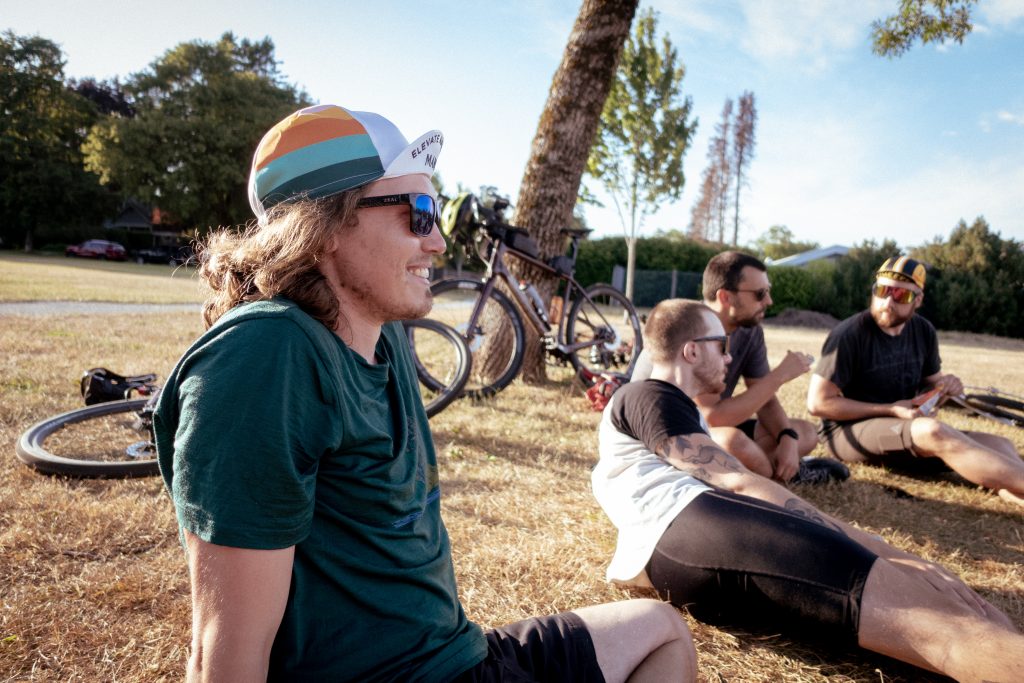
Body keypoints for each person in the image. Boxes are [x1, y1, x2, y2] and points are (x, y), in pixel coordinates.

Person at [153, 103, 696, 682]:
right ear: (326, 226)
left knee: (661, 630)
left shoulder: (380, 342)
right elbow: (226, 651)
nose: (437, 242)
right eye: (418, 213)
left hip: (457, 652)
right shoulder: (267, 356)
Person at [593, 297, 1024, 681]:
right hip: (701, 528)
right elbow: (738, 482)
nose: (729, 358)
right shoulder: (649, 394)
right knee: (949, 625)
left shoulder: (671, 412)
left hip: (686, 559)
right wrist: (886, 551)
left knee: (916, 647)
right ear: (690, 350)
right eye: (721, 344)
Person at [807, 256, 1024, 508]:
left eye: (900, 295)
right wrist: (890, 409)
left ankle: (1011, 490)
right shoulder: (849, 334)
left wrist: (946, 387)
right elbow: (818, 404)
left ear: (917, 300)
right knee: (932, 430)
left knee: (1000, 443)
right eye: (882, 291)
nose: (888, 302)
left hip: (903, 424)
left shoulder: (923, 331)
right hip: (847, 433)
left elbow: (932, 386)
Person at [633, 251, 846, 484]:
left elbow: (764, 397)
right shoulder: (695, 329)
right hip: (665, 432)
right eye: (760, 294)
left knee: (804, 432)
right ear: (725, 296)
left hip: (705, 429)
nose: (769, 301)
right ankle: (781, 478)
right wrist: (779, 376)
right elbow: (713, 417)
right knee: (732, 442)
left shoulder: (749, 330)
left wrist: (787, 437)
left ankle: (753, 469)